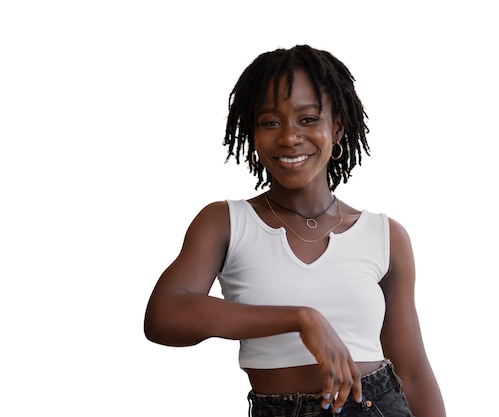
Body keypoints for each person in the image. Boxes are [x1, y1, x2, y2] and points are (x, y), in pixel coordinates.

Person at [144, 44, 446, 417]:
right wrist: (301, 319)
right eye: (271, 122)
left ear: (336, 128)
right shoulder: (227, 222)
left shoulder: (385, 235)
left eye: (308, 119)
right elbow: (164, 317)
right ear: (252, 134)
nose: (289, 137)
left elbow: (413, 373)